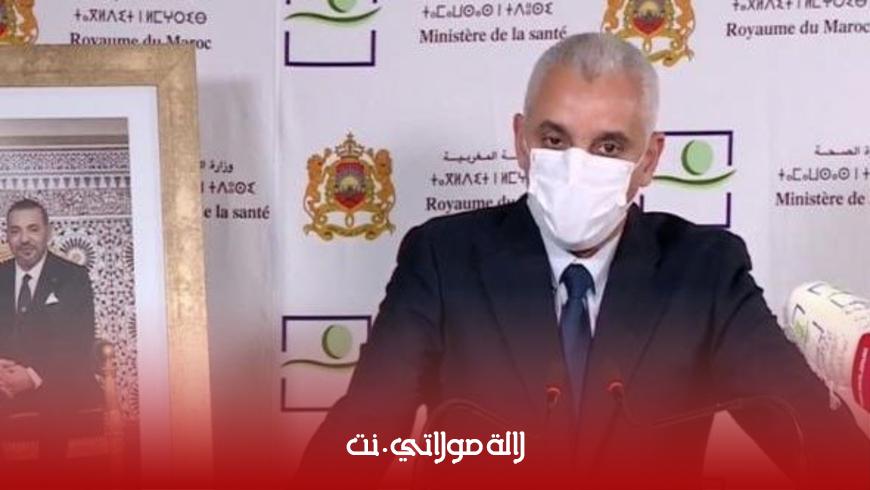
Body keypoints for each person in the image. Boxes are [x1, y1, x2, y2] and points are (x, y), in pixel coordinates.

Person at [296, 33, 870, 489]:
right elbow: (361, 437)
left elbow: (817, 444)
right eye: (555, 139)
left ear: (649, 161)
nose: (577, 167)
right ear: (520, 140)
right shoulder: (443, 259)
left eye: (608, 147)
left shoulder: (705, 272)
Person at [0, 198, 99, 466]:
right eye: (15, 231)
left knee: (59, 397)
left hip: (56, 378)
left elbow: (78, 341)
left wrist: (32, 376)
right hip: (4, 381)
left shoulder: (73, 277)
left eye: (33, 229)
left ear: (49, 232)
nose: (24, 239)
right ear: (7, 236)